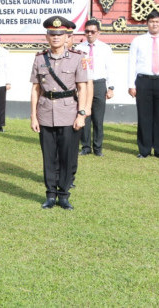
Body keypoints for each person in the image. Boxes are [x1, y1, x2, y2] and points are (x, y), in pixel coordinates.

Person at [30, 16, 88, 210]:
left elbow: (82, 88)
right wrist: (33, 115)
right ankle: (50, 194)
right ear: (47, 36)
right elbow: (36, 89)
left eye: (60, 34)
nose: (55, 37)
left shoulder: (78, 57)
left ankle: (63, 194)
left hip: (69, 113)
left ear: (66, 36)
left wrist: (81, 114)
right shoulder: (39, 58)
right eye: (52, 34)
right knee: (48, 156)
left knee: (67, 155)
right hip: (46, 112)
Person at [75, 19, 114, 156]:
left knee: (98, 118)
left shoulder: (105, 48)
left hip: (99, 84)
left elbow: (110, 69)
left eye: (92, 31)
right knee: (84, 115)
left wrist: (111, 87)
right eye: (87, 31)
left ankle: (98, 148)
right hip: (84, 84)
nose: (89, 34)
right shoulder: (79, 49)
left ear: (98, 32)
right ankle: (85, 147)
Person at [128, 8, 159, 159]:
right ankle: (144, 149)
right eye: (152, 22)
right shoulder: (138, 41)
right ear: (147, 24)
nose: (154, 24)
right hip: (143, 81)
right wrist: (131, 84)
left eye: (157, 22)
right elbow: (131, 64)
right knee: (144, 116)